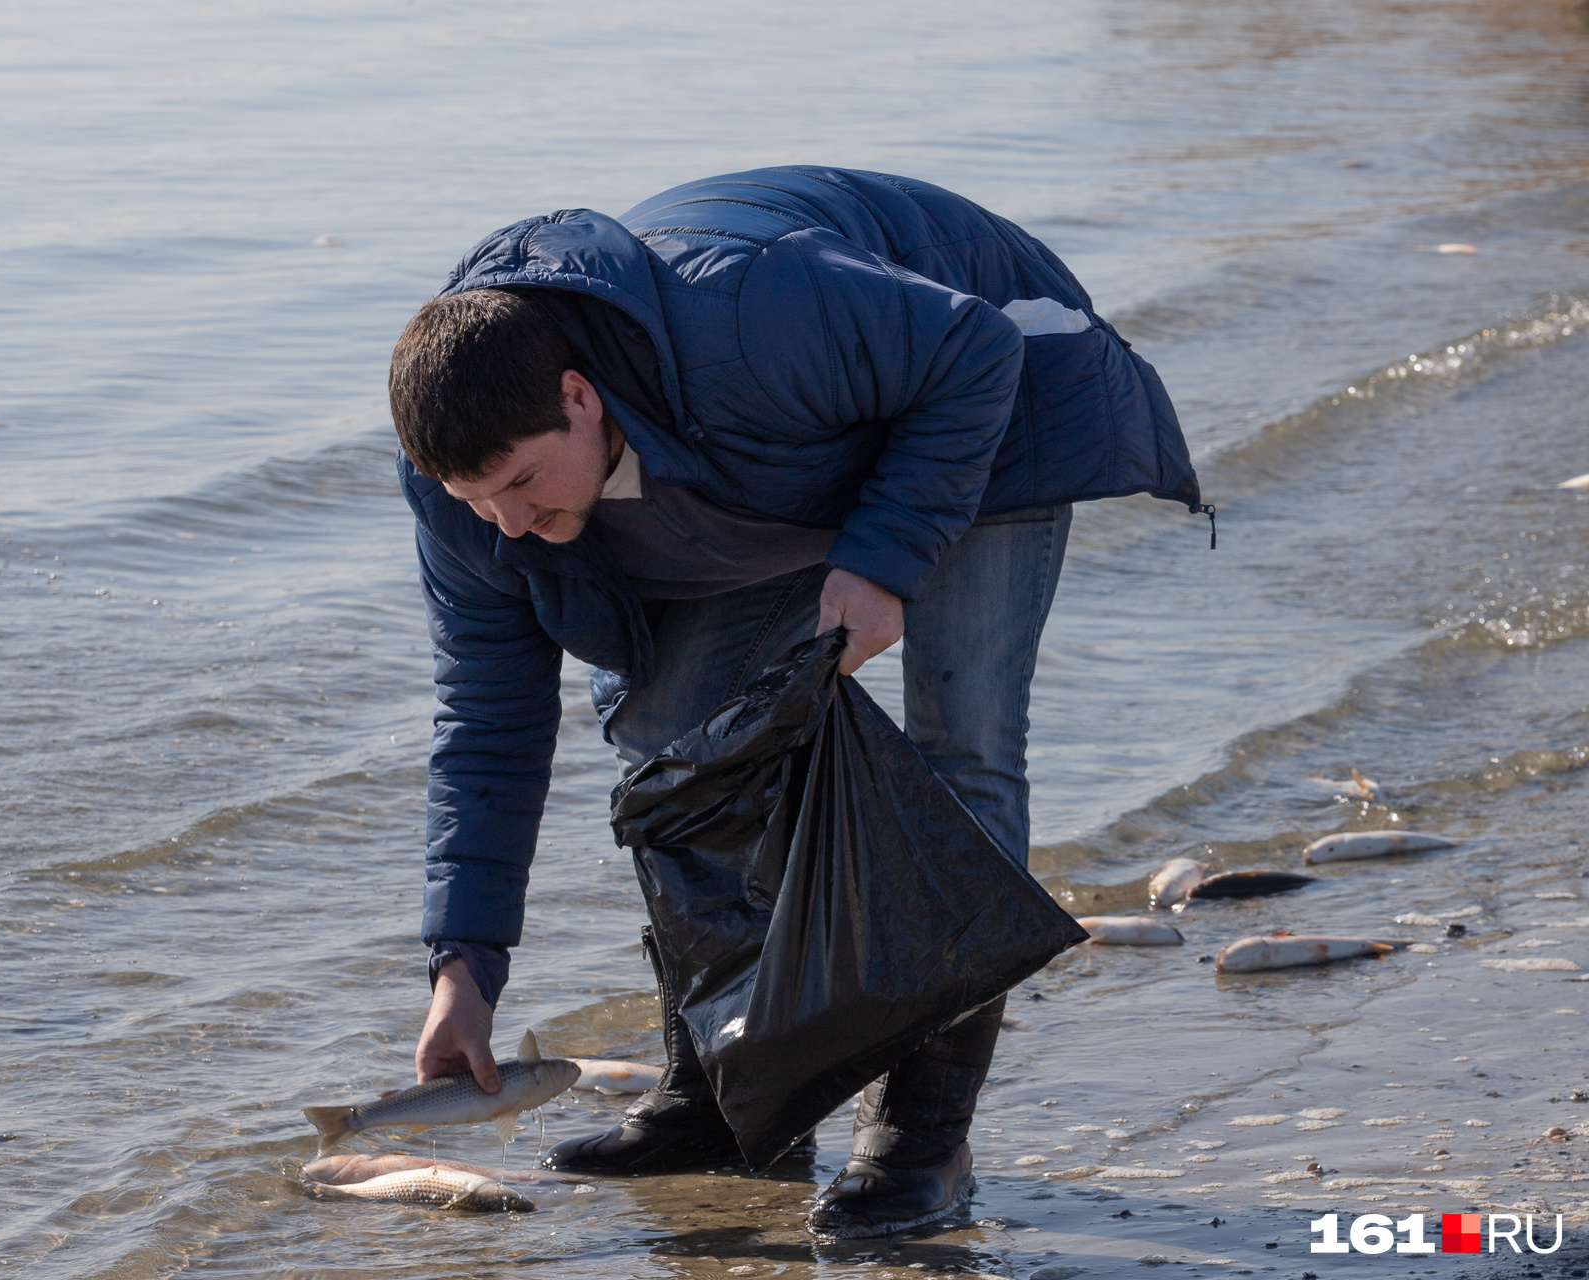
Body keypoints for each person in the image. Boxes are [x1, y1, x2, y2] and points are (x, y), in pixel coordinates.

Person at [388, 166, 1205, 1237]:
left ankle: (921, 1141)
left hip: (979, 403)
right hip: (776, 456)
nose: (504, 524)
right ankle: (727, 1103)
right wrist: (465, 965)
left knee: (961, 759)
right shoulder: (472, 491)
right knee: (672, 746)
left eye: (525, 484)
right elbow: (488, 726)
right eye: (473, 500)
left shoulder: (748, 311)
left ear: (580, 398)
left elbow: (974, 350)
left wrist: (881, 561)